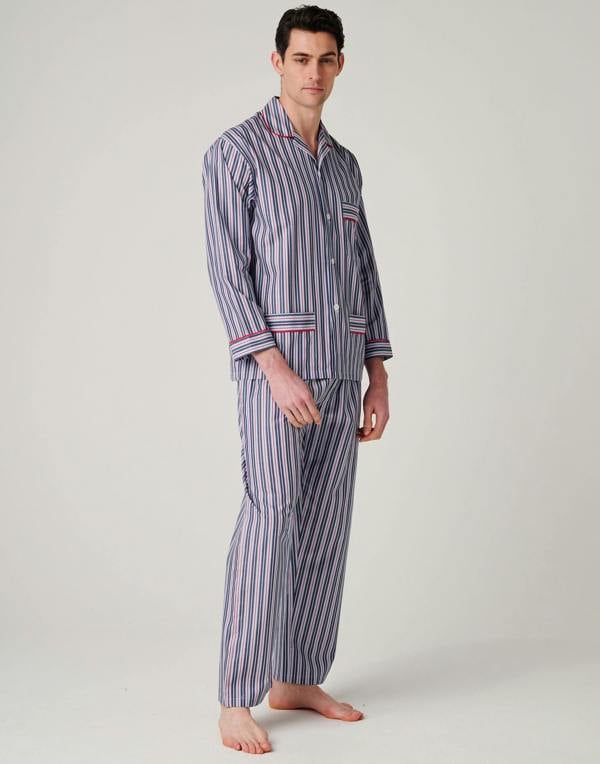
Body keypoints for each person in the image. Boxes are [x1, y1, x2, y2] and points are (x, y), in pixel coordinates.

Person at [202, 5, 393, 754]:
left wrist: (377, 372)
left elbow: (364, 270)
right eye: (302, 58)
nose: (314, 72)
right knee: (271, 520)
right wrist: (273, 368)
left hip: (343, 371)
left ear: (340, 65)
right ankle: (235, 697)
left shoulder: (344, 165)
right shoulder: (236, 152)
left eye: (327, 59)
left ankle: (298, 677)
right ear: (277, 60)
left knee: (324, 527)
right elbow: (228, 272)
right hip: (275, 376)